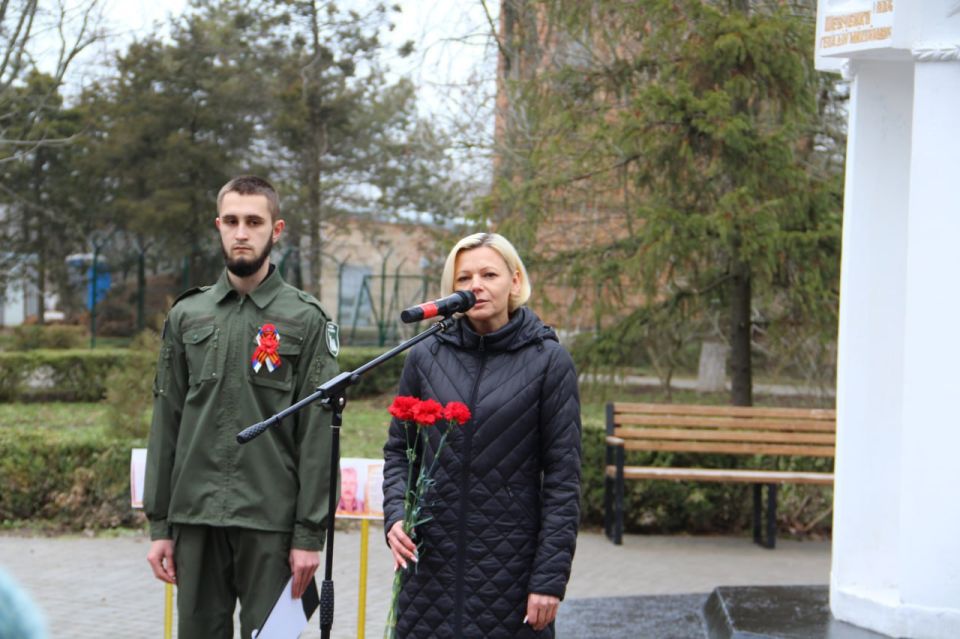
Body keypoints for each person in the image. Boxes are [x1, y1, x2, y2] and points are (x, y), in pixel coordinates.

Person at [143, 175, 339, 639]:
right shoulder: (188, 315)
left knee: (273, 636)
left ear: (277, 229)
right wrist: (160, 525)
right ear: (219, 226)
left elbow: (318, 433)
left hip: (271, 521)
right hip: (195, 518)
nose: (241, 233)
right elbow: (167, 420)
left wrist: (308, 535)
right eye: (231, 221)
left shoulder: (306, 319)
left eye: (254, 221)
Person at [382, 232, 582, 638]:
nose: (476, 285)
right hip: (430, 569)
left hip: (509, 570)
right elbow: (399, 451)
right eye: (464, 278)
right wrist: (396, 515)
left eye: (489, 274)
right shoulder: (425, 355)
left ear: (514, 281)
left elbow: (563, 480)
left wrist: (549, 579)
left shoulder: (549, 361)